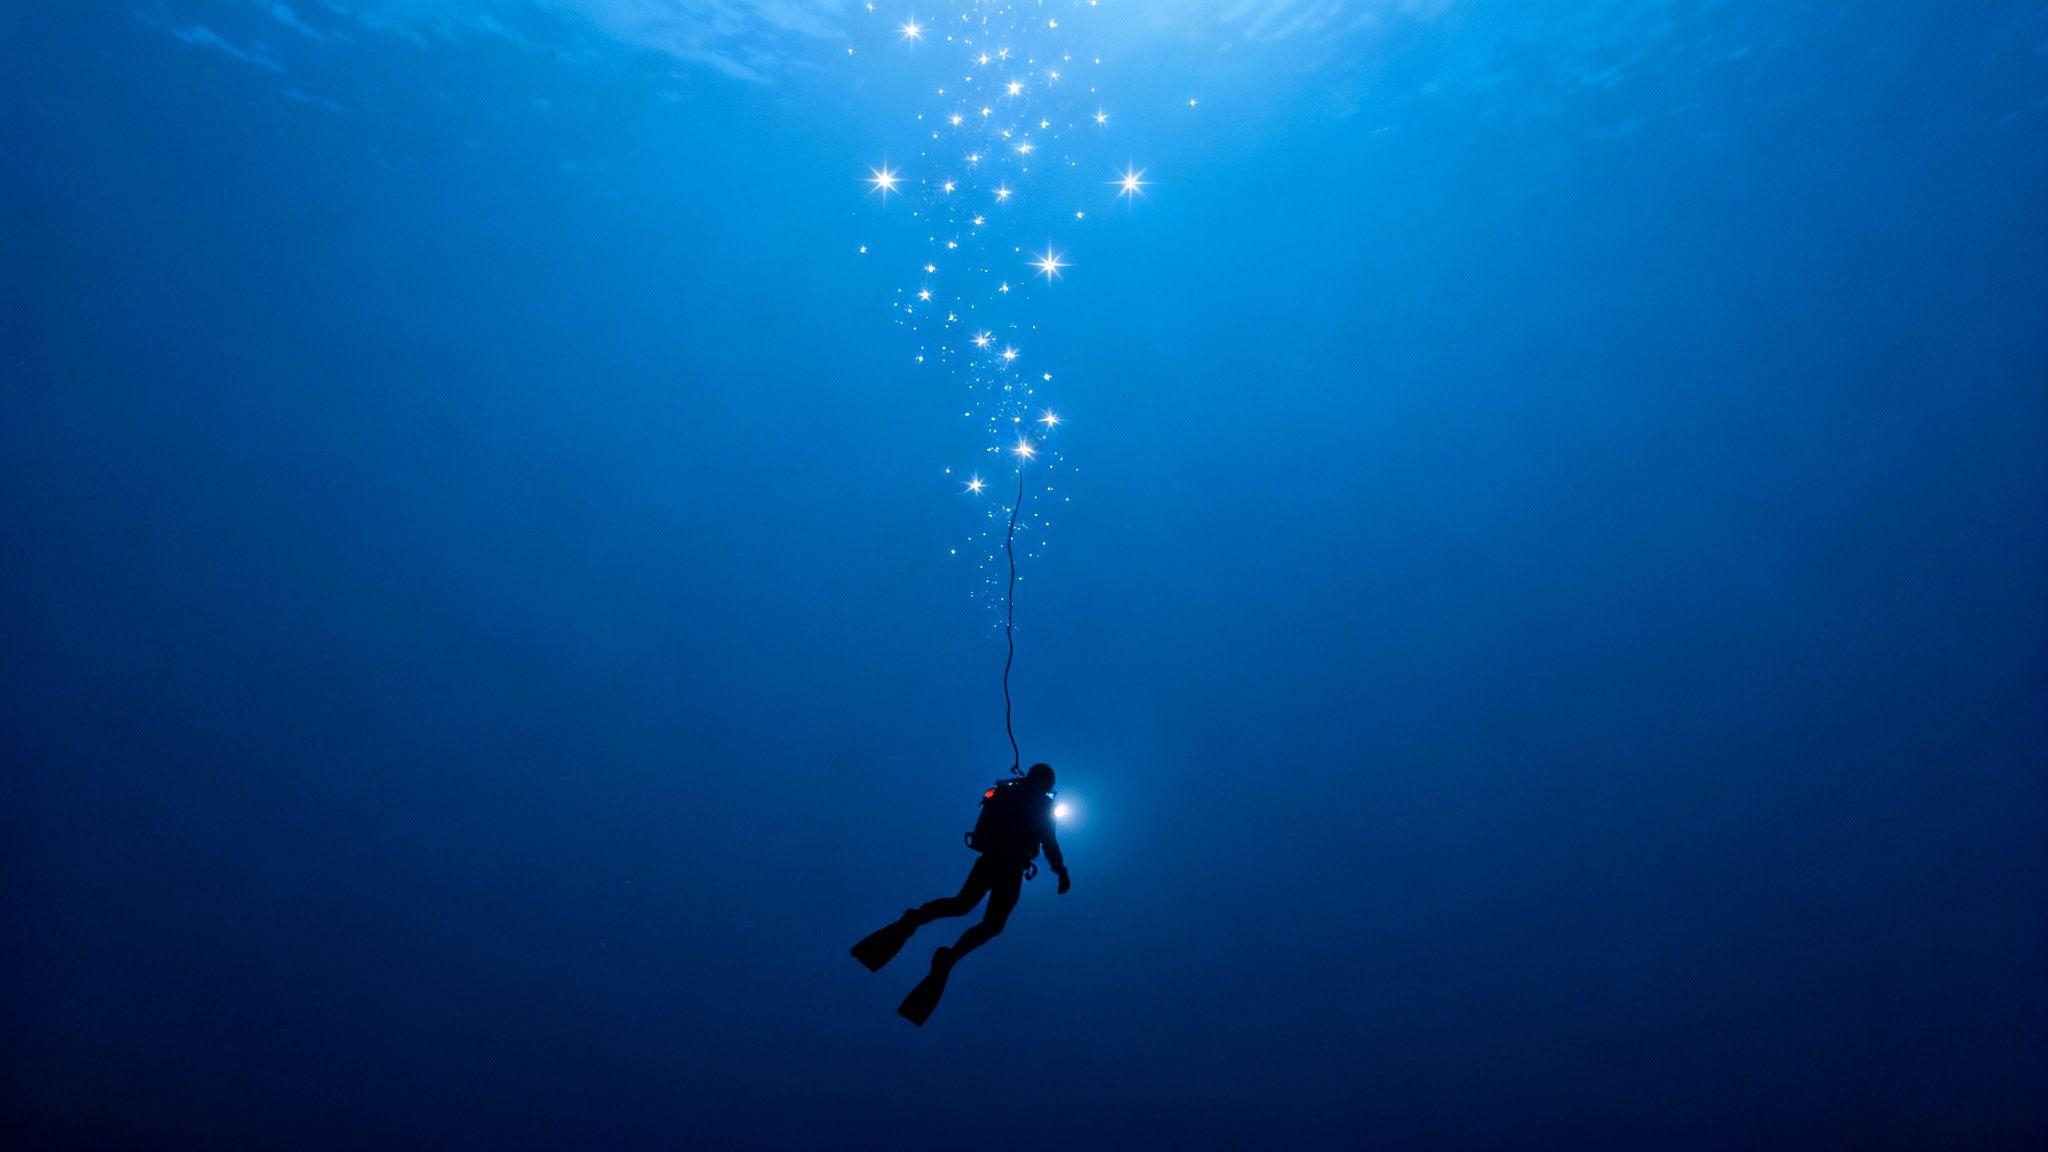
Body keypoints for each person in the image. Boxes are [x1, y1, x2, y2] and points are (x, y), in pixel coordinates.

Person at [851, 762, 1070, 1024]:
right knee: (989, 922)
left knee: (963, 906)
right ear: (1045, 784)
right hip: (1008, 865)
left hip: (992, 860)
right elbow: (1049, 842)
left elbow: (1040, 839)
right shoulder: (1040, 805)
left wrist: (1059, 869)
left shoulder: (1010, 793)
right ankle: (945, 953)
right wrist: (1061, 871)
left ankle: (915, 922)